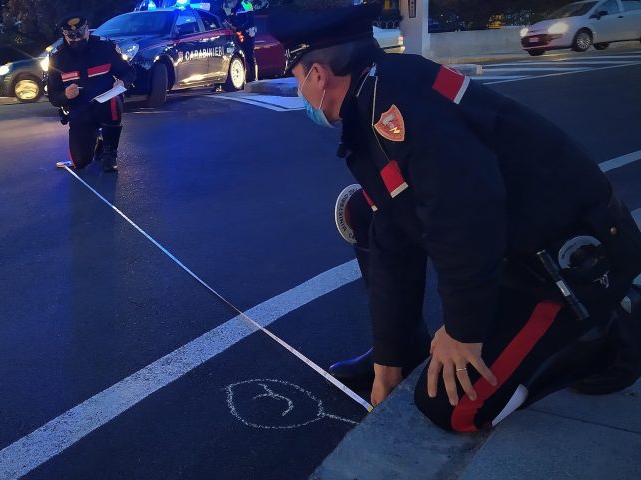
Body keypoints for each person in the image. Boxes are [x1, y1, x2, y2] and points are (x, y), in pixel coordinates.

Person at [269, 3, 641, 431]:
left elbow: (466, 212)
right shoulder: (378, 92)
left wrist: (463, 330)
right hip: (514, 246)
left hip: (566, 261)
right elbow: (393, 233)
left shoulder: (396, 108)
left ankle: (607, 339)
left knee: (454, 409)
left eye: (297, 79)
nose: (299, 93)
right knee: (367, 213)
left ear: (318, 75)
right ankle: (411, 348)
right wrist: (390, 359)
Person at [47, 14, 137, 172]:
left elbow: (129, 71)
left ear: (88, 30)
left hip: (105, 102)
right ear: (65, 36)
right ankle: (98, 140)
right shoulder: (57, 58)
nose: (76, 40)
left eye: (80, 35)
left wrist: (123, 82)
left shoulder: (105, 48)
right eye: (72, 37)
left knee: (113, 101)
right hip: (79, 109)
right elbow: (53, 96)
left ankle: (110, 153)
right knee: (80, 162)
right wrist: (65, 95)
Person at [230, 0, 257, 82]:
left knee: (249, 55)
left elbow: (251, 21)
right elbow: (234, 21)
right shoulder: (233, 8)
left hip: (248, 34)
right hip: (238, 35)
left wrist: (238, 28)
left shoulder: (246, 5)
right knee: (241, 56)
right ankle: (244, 78)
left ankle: (252, 78)